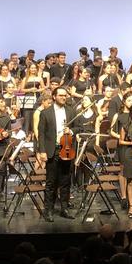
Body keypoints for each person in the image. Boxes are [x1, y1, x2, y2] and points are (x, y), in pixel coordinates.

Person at [37, 87, 77, 222]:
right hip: (52, 151)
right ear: (54, 97)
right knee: (51, 183)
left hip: (67, 150)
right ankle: (48, 210)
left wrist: (70, 131)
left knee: (65, 182)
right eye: (60, 95)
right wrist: (41, 151)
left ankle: (64, 209)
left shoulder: (71, 111)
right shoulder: (45, 113)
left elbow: (78, 127)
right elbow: (41, 134)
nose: (63, 97)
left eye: (65, 96)